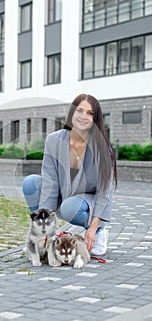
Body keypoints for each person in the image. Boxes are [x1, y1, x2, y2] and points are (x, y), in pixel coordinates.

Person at [22, 94, 117, 255]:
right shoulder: (54, 140)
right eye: (80, 110)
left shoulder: (102, 147)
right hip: (64, 194)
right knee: (31, 183)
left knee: (70, 207)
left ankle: (99, 233)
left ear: (95, 119)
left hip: (86, 201)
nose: (83, 116)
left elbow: (104, 191)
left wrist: (94, 228)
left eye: (90, 113)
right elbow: (50, 181)